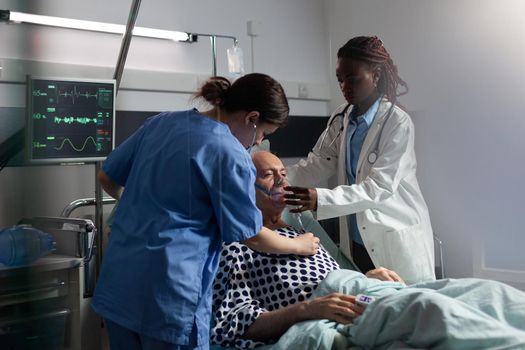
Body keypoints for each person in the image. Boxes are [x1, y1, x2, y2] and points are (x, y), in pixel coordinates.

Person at [91, 74, 321, 350]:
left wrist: (141, 203)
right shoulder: (230, 152)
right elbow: (253, 236)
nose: (257, 142)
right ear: (252, 117)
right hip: (169, 294)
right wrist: (297, 245)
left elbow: (107, 176)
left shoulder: (160, 123)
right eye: (263, 134)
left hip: (120, 284)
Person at [211, 151, 404, 349]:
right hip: (336, 319)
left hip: (360, 297)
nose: (281, 181)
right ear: (243, 189)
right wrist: (307, 309)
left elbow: (339, 282)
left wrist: (366, 278)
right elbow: (233, 325)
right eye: (268, 174)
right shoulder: (237, 245)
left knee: (425, 302)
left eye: (283, 173)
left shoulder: (302, 234)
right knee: (426, 310)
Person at [284, 36, 435, 284]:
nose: (345, 87)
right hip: (356, 238)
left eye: (353, 79)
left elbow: (379, 187)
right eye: (340, 80)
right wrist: (277, 179)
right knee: (372, 310)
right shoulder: (341, 118)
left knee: (410, 310)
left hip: (393, 235)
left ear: (375, 76)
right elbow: (319, 161)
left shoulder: (397, 122)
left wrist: (319, 198)